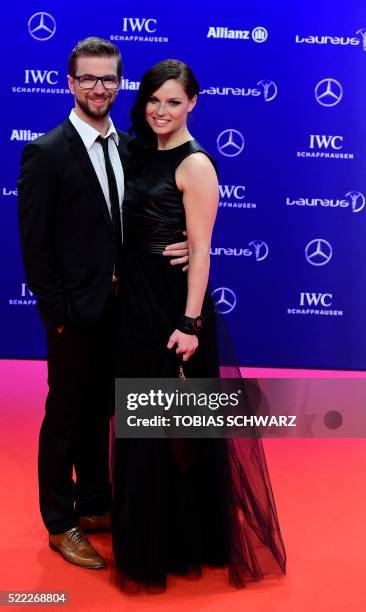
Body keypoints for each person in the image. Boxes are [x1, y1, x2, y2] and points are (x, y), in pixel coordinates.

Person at [112, 59, 286, 593]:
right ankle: (147, 532)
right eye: (153, 100)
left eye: (173, 101)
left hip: (172, 308)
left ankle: (175, 543)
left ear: (193, 103)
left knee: (171, 433)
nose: (161, 110)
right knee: (137, 425)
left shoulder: (197, 165)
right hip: (133, 304)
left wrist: (190, 322)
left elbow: (202, 248)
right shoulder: (135, 151)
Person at [17, 38, 189, 570]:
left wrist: (182, 239)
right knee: (65, 415)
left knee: (102, 413)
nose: (99, 88)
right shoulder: (46, 152)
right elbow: (35, 246)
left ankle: (94, 504)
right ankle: (61, 521)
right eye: (88, 79)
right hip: (76, 314)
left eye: (108, 79)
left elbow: (156, 202)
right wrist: (60, 314)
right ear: (70, 83)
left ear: (121, 84)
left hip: (126, 309)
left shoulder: (131, 146)